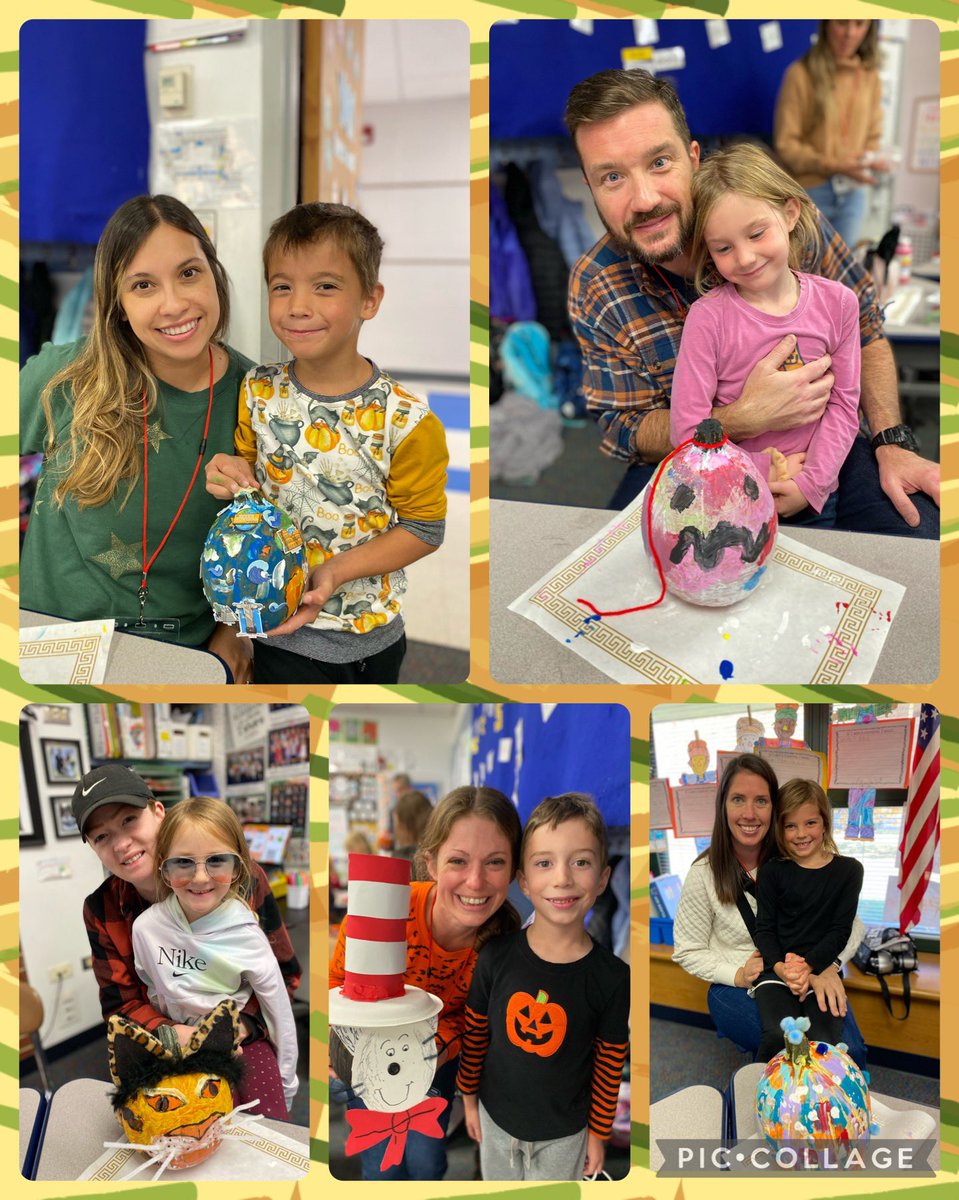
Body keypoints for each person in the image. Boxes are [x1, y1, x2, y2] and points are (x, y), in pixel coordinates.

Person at [564, 68, 938, 535]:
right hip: (691, 456)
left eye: (659, 162)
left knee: (918, 532)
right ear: (590, 186)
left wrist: (892, 440)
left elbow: (865, 331)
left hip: (826, 439)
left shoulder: (788, 224)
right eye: (613, 177)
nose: (643, 199)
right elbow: (625, 426)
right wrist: (739, 419)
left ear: (693, 157)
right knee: (626, 565)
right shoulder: (598, 284)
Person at [204, 202, 450, 685]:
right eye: (282, 287)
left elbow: (424, 530)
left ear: (369, 300)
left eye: (325, 286)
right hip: (278, 633)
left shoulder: (407, 420)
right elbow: (244, 471)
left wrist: (337, 570)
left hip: (372, 637)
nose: (298, 305)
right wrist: (227, 474)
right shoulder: (256, 391)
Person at [19, 194, 255, 682]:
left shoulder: (261, 399)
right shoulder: (63, 377)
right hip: (48, 639)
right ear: (119, 305)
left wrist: (236, 630)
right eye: (143, 285)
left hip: (182, 655)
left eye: (189, 273)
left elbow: (270, 549)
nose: (174, 304)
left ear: (215, 275)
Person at [73, 763, 302, 1113]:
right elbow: (121, 1004)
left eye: (129, 820)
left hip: (243, 1034)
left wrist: (240, 1026)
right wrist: (172, 1034)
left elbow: (283, 974)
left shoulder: (239, 880)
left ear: (158, 813)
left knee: (267, 1128)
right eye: (101, 836)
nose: (121, 844)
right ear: (91, 846)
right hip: (166, 1047)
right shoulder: (104, 911)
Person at [329, 785, 522, 1179]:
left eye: (495, 862)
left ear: (515, 869)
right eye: (458, 861)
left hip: (437, 1065)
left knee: (426, 1161)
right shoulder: (383, 913)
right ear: (430, 863)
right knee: (381, 1166)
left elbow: (477, 1027)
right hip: (368, 1060)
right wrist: (336, 1048)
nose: (475, 881)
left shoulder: (504, 947)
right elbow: (335, 986)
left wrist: (425, 1057)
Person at [672, 142, 860, 527]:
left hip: (814, 494)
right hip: (728, 497)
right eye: (724, 248)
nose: (744, 258)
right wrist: (762, 469)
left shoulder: (839, 303)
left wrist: (812, 483)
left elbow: (843, 406)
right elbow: (687, 432)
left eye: (757, 234)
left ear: (790, 214)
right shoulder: (706, 318)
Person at [457, 794, 629, 1180]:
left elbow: (608, 1064)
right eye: (544, 863)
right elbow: (475, 1036)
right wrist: (469, 1102)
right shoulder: (495, 957)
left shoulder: (613, 977)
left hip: (565, 1135)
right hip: (494, 1121)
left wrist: (599, 1135)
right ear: (525, 880)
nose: (562, 877)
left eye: (581, 862)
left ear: (603, 877)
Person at [672, 754, 867, 1070]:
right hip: (739, 983)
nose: (749, 813)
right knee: (793, 1049)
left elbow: (852, 924)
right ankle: (769, 1105)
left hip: (810, 968)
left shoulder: (799, 852)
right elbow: (687, 951)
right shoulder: (703, 873)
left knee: (850, 1054)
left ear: (775, 810)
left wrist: (828, 966)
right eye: (738, 799)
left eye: (761, 801)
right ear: (723, 806)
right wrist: (736, 973)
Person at [131, 797, 298, 1118]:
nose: (201, 878)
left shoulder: (247, 933)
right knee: (176, 1128)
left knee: (267, 1126)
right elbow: (151, 988)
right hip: (177, 1043)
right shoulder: (146, 929)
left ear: (238, 867)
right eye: (183, 862)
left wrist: (287, 1082)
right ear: (163, 866)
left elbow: (279, 1012)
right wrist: (172, 1035)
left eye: (217, 861)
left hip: (242, 1042)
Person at [753, 779, 865, 1062]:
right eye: (791, 826)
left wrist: (809, 968)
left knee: (824, 1044)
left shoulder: (850, 871)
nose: (801, 834)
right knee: (779, 1038)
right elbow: (764, 930)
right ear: (780, 828)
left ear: (825, 823)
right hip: (777, 973)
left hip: (821, 969)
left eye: (810, 823)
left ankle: (819, 1103)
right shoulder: (771, 872)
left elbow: (841, 931)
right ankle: (768, 1098)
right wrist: (782, 969)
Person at [774, 20, 885, 250]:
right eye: (842, 23)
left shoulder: (869, 76)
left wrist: (871, 160)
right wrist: (834, 164)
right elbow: (787, 146)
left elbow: (873, 133)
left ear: (869, 29)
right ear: (826, 25)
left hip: (854, 191)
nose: (850, 33)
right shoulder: (800, 74)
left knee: (841, 276)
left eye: (859, 24)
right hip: (811, 191)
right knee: (807, 272)